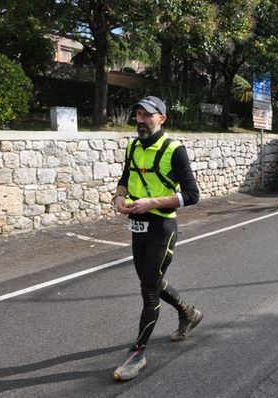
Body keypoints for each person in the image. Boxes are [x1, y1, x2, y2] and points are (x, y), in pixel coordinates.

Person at [112, 96, 202, 381]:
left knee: (148, 290)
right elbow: (126, 175)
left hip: (162, 228)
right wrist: (119, 196)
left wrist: (152, 203)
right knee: (150, 280)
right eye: (137, 114)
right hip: (137, 227)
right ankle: (189, 313)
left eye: (146, 115)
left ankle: (137, 353)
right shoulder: (133, 145)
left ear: (161, 118)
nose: (140, 120)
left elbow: (191, 195)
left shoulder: (174, 150)